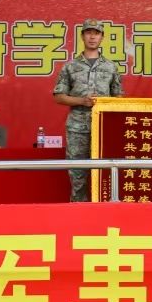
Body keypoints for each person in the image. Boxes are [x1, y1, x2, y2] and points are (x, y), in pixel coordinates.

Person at [53, 19, 123, 202]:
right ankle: (79, 210)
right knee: (78, 173)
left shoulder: (111, 67)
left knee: (106, 171)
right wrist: (82, 101)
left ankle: (105, 211)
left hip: (104, 128)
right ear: (82, 36)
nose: (92, 37)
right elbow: (59, 96)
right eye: (89, 32)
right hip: (78, 128)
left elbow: (118, 97)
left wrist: (107, 104)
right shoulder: (70, 66)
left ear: (102, 37)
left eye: (96, 33)